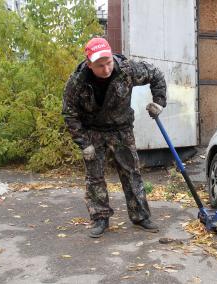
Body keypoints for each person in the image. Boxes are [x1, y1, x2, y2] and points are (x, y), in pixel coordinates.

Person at [62, 37, 166, 238]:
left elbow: (157, 75)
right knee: (95, 177)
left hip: (121, 129)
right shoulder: (77, 82)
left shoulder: (128, 70)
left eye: (108, 62)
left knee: (131, 172)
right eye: (100, 65)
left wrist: (159, 102)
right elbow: (69, 113)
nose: (107, 69)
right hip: (93, 131)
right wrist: (83, 143)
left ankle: (140, 216)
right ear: (89, 63)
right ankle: (100, 218)